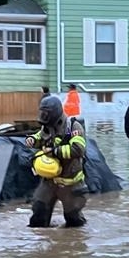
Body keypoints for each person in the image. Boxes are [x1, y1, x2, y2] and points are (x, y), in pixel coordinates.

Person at [24, 95, 88, 228]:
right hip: (50, 181)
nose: (43, 117)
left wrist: (54, 151)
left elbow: (78, 149)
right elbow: (40, 136)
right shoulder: (47, 126)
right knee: (38, 215)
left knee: (74, 221)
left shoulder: (73, 127)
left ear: (55, 113)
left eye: (46, 114)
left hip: (71, 182)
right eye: (42, 113)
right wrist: (32, 140)